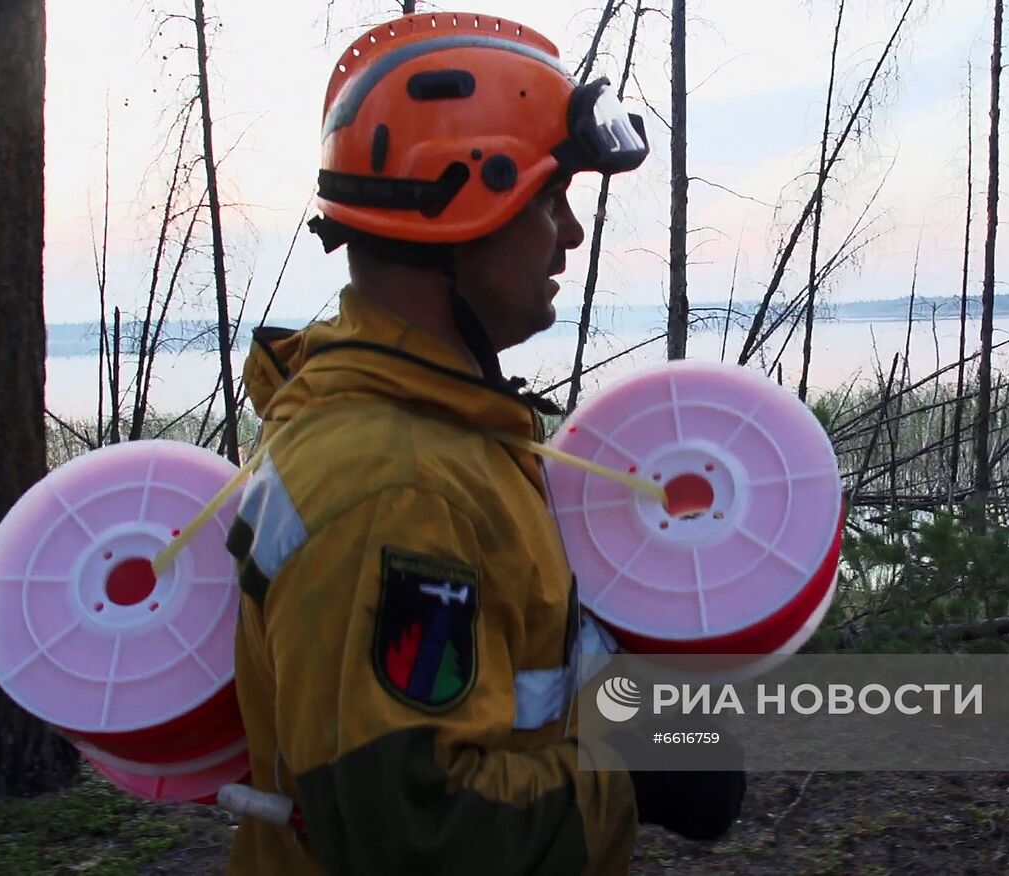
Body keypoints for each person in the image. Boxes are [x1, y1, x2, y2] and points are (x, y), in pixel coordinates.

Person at [225, 12, 745, 874]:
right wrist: (631, 778)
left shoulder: (436, 431)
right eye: (548, 199)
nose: (570, 233)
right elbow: (421, 832)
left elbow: (513, 674)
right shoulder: (396, 491)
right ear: (462, 213)